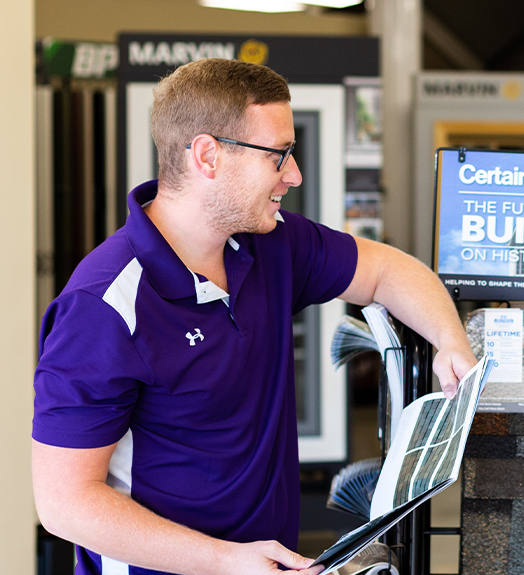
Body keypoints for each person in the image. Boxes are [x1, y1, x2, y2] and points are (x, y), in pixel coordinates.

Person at [32, 58, 477, 575]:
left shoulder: (269, 241)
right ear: (207, 155)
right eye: (279, 155)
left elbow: (386, 269)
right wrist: (227, 562)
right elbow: (65, 504)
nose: (294, 174)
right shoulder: (103, 306)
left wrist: (450, 338)